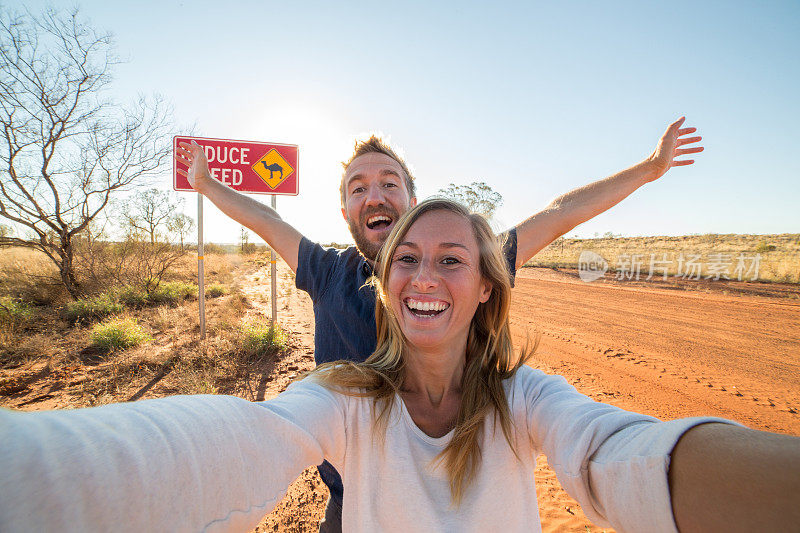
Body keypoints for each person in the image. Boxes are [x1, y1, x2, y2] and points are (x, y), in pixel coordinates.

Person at [1, 199, 798, 533]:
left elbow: (610, 452)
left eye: (451, 259)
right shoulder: (343, 398)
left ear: (488, 285)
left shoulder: (527, 397)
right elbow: (246, 439)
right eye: (406, 258)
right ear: (384, 283)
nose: (423, 274)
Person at [176, 118, 705, 530]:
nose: (375, 195)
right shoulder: (330, 273)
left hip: (467, 486)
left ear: (411, 197)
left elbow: (561, 209)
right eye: (357, 188)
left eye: (389, 182)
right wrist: (205, 183)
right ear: (344, 212)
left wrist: (649, 168)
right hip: (352, 497)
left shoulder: (470, 257)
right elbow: (266, 220)